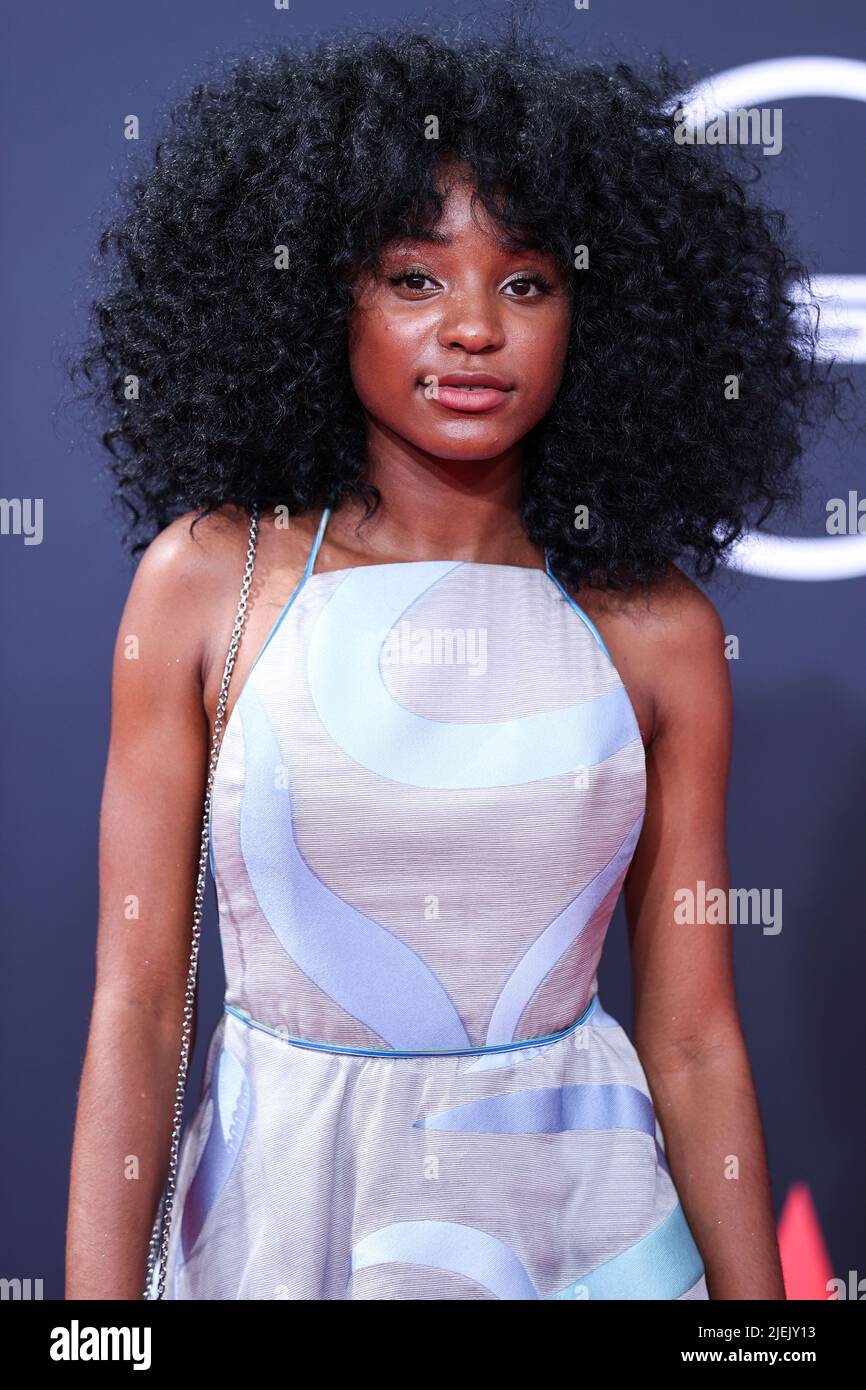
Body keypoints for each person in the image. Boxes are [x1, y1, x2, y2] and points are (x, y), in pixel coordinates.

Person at [65, 23, 841, 1301]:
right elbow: (139, 1009)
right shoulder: (209, 581)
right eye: (415, 279)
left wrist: (760, 1333)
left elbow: (693, 1039)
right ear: (326, 296)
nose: (474, 327)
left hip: (581, 1230)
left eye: (525, 282)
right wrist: (92, 1334)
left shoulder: (657, 630)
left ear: (600, 313)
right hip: (283, 1226)